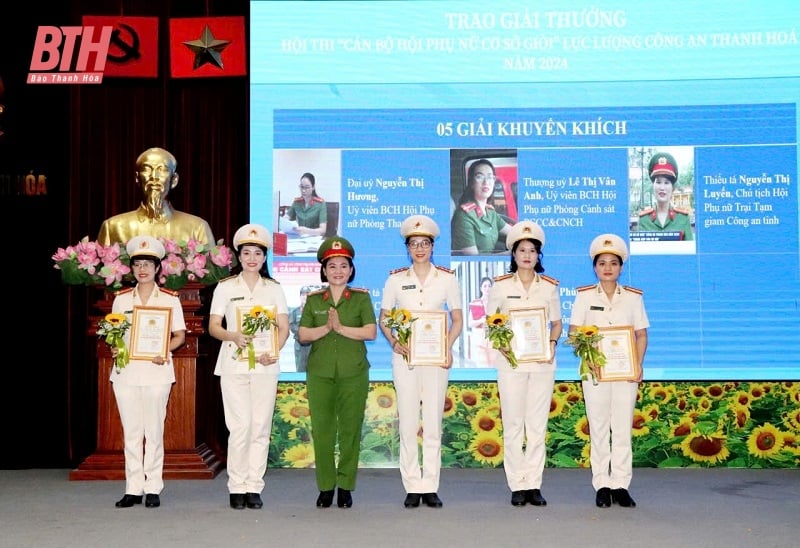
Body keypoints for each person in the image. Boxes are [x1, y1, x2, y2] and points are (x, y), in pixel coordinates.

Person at [379, 215, 463, 509]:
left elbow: (457, 319)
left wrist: (448, 345)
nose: (419, 248)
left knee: (432, 424)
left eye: (424, 243)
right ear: (407, 248)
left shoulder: (447, 279)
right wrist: (394, 341)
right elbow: (385, 318)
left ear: (432, 246)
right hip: (405, 360)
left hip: (436, 360)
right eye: (414, 244)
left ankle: (431, 485)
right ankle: (412, 485)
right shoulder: (396, 280)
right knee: (408, 423)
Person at [208, 223, 290, 510]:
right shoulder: (225, 287)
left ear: (265, 257)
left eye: (257, 253)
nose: (252, 258)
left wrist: (273, 351)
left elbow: (283, 327)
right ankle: (236, 485)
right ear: (238, 257)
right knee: (239, 426)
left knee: (260, 426)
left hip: (266, 367)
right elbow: (214, 327)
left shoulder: (274, 289)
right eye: (246, 253)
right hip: (233, 365)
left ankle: (254, 486)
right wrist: (233, 335)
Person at [568, 234, 649, 509]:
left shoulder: (633, 298)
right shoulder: (584, 296)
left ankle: (621, 485)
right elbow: (574, 333)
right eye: (602, 263)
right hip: (595, 374)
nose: (607, 268)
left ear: (621, 267)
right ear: (594, 267)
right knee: (600, 427)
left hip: (626, 374)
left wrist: (637, 364)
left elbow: (640, 335)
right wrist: (588, 358)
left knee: (622, 428)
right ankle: (602, 483)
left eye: (613, 263)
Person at [485, 221, 562, 507]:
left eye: (532, 250)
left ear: (538, 256)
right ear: (513, 255)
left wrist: (552, 343)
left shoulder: (550, 287)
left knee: (537, 425)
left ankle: (534, 483)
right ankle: (517, 484)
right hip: (511, 364)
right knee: (515, 424)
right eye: (522, 250)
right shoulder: (502, 286)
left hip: (542, 364)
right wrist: (503, 345)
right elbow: (491, 323)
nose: (527, 255)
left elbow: (557, 323)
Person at [298, 236, 377, 509]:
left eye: (343, 265)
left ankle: (345, 486)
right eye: (332, 266)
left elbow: (370, 331)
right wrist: (327, 329)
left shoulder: (360, 299)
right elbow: (303, 334)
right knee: (323, 430)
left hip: (353, 372)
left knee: (350, 430)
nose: (338, 271)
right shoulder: (313, 299)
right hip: (320, 372)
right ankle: (325, 487)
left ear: (351, 269)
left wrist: (341, 328)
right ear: (324, 270)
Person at [109, 235, 186, 509]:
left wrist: (166, 349)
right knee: (131, 432)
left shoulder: (169, 299)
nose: (142, 269)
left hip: (157, 372)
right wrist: (115, 347)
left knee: (153, 431)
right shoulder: (120, 300)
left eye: (148, 264)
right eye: (137, 264)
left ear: (157, 268)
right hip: (126, 373)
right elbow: (114, 333)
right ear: (131, 268)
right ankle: (133, 487)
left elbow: (179, 336)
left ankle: (153, 486)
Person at [97, 147, 216, 246]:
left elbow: (213, 273)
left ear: (174, 180)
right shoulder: (113, 227)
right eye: (147, 169)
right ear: (137, 178)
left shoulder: (197, 227)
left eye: (162, 169)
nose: (154, 177)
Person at [451, 159, 513, 255]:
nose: (486, 182)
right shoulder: (463, 216)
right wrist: (512, 253)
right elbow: (473, 260)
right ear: (471, 183)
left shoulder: (490, 212)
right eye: (479, 176)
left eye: (490, 177)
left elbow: (514, 232)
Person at [636, 152, 693, 240]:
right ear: (653, 186)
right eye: (658, 182)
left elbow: (690, 251)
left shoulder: (683, 219)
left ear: (673, 188)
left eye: (666, 183)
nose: (662, 188)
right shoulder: (644, 220)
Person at [285, 172, 327, 237]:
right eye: (301, 187)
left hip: (314, 239)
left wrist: (306, 231)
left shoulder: (320, 204)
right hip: (299, 238)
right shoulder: (297, 202)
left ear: (313, 187)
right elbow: (285, 219)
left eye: (307, 187)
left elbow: (323, 231)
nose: (303, 191)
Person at [468, 276, 495, 366]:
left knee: (493, 366)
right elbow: (470, 323)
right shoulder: (476, 303)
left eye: (489, 286)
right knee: (482, 366)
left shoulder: (496, 303)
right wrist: (481, 320)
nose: (487, 288)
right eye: (485, 286)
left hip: (493, 339)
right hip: (479, 340)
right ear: (481, 288)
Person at [288, 285, 315, 372]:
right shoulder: (295, 312)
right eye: (303, 295)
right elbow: (292, 325)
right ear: (300, 296)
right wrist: (303, 332)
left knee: (313, 368)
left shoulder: (315, 311)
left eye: (307, 294)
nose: (305, 297)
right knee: (300, 368)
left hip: (312, 345)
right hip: (299, 344)